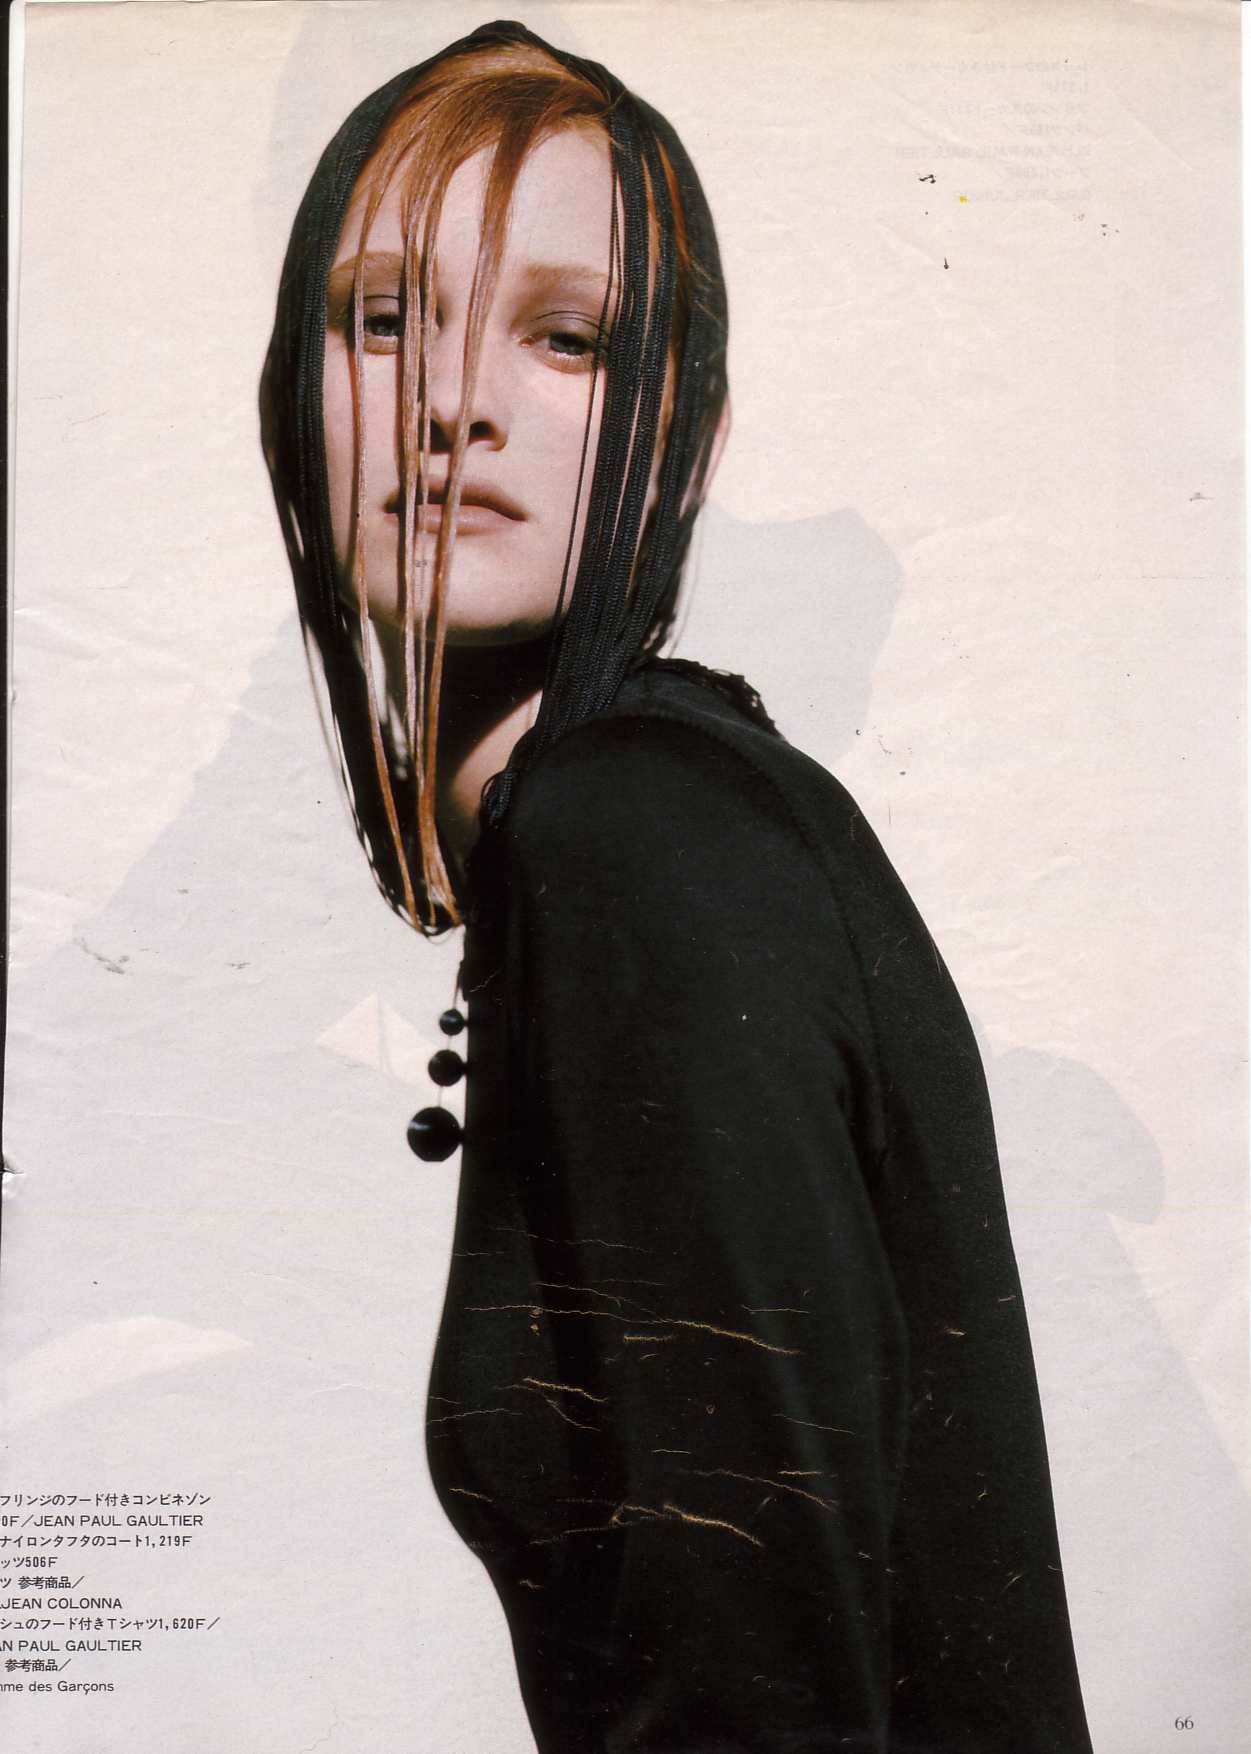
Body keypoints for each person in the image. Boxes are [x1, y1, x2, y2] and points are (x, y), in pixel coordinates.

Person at [262, 19, 1093, 1753]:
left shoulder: (633, 831)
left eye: (566, 337)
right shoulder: (655, 818)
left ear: (685, 437)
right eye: (387, 319)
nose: (455, 401)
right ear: (290, 392)